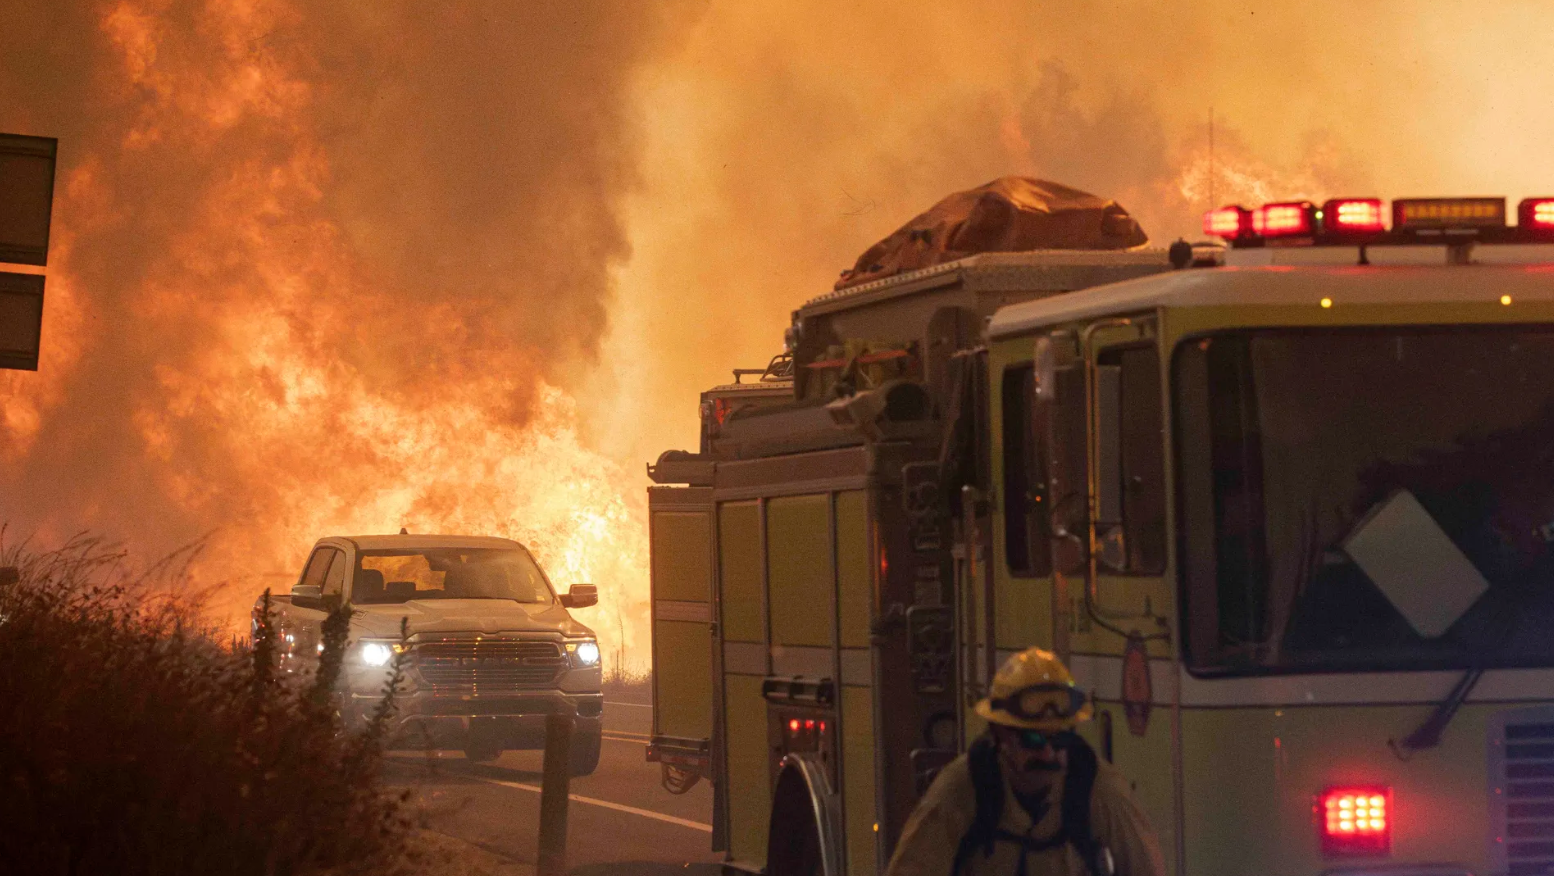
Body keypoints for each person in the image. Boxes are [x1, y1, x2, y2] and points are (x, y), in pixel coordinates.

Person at [884, 648, 1166, 876]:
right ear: (999, 735)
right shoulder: (960, 792)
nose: (1047, 754)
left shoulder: (1100, 790)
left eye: (1059, 740)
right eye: (1032, 740)